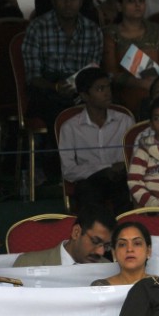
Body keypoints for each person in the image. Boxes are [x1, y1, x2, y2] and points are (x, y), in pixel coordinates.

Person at [22, 0, 104, 136]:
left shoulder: (92, 30)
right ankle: (60, 160)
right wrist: (55, 86)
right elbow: (32, 77)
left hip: (82, 91)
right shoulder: (37, 28)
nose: (68, 3)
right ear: (53, 0)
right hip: (47, 91)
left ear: (81, 1)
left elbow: (93, 72)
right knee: (60, 116)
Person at [57, 67, 132, 214]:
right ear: (84, 96)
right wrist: (105, 169)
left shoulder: (124, 120)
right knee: (88, 192)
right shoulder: (70, 127)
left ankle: (124, 232)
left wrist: (120, 168)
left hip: (120, 178)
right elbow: (68, 170)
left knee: (127, 190)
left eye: (108, 87)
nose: (107, 93)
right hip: (89, 180)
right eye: (100, 89)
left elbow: (134, 158)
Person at [102, 0, 159, 111]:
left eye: (141, 0)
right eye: (131, 1)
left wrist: (157, 85)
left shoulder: (156, 30)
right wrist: (139, 83)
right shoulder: (111, 34)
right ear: (119, 6)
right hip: (125, 99)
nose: (138, 5)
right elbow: (110, 73)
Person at [12, 206, 115, 267]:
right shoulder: (27, 264)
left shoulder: (108, 268)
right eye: (95, 241)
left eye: (106, 246)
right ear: (76, 232)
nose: (101, 252)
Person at [91, 221, 151, 286]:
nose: (129, 249)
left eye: (137, 243)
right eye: (122, 244)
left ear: (148, 251)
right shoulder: (101, 286)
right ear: (114, 253)